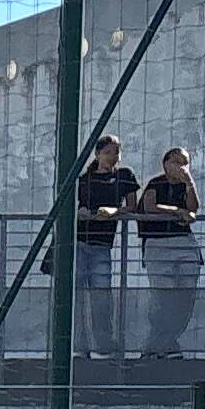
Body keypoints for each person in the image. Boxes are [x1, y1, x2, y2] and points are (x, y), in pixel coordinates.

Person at [73, 132, 140, 363]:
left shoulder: (124, 176)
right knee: (78, 296)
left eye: (116, 152)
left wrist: (114, 212)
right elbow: (76, 206)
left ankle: (103, 344)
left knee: (101, 297)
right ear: (98, 154)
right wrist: (81, 213)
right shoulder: (84, 179)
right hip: (80, 240)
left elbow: (133, 206)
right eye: (107, 152)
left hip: (102, 245)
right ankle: (79, 347)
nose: (112, 157)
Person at [136, 146, 205, 356]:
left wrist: (189, 183)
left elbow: (194, 209)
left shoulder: (186, 186)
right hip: (158, 244)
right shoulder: (156, 183)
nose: (180, 167)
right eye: (176, 162)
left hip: (184, 242)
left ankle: (168, 341)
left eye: (184, 162)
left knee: (185, 294)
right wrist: (178, 211)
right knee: (163, 295)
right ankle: (158, 343)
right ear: (165, 164)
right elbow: (150, 206)